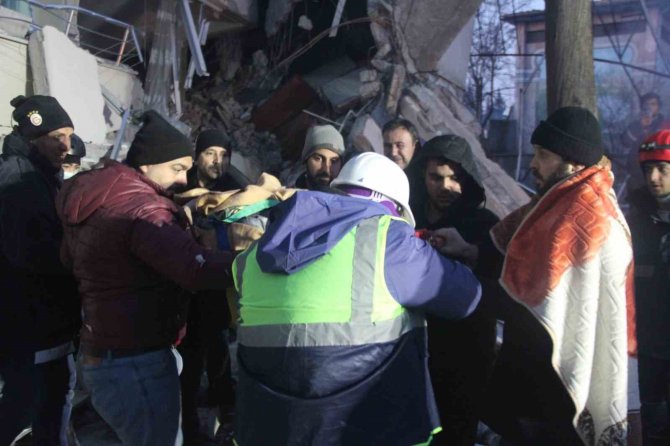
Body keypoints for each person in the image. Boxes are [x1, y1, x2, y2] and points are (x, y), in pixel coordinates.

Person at [232, 152, 482, 446]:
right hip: (363, 427)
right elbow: (466, 298)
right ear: (396, 208)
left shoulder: (254, 254)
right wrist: (464, 253)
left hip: (267, 429)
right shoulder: (388, 240)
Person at [441, 107, 636, 445]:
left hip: (553, 393)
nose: (533, 164)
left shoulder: (584, 216)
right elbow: (513, 257)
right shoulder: (559, 201)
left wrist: (455, 286)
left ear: (573, 162)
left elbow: (529, 300)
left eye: (543, 155)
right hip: (535, 380)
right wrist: (467, 249)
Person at [55, 110, 234, 446]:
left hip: (99, 352)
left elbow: (68, 258)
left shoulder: (95, 193)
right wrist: (250, 263)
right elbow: (195, 269)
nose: (183, 180)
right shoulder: (142, 208)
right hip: (136, 356)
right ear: (149, 164)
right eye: (177, 169)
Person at [0, 95, 81, 446]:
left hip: (48, 321)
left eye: (70, 135)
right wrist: (80, 259)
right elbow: (28, 253)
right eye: (57, 137)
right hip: (29, 321)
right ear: (34, 135)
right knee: (26, 406)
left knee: (52, 401)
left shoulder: (42, 174)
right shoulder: (17, 178)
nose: (67, 146)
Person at [409, 135, 500, 446]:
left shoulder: (485, 225)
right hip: (412, 349)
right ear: (423, 176)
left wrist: (470, 252)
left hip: (465, 354)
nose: (445, 187)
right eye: (436, 177)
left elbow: (502, 276)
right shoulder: (404, 220)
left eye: (454, 178)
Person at [177, 127, 238, 445]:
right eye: (211, 153)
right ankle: (188, 428)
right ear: (197, 155)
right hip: (184, 290)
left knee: (219, 350)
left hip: (218, 286)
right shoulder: (180, 184)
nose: (218, 161)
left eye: (224, 155)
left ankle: (225, 413)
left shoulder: (236, 189)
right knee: (187, 360)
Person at [627, 129, 670, 446]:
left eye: (663, 170)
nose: (653, 178)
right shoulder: (635, 222)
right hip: (648, 349)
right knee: (652, 428)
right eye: (648, 170)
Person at [621, 93, 668, 190]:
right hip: (638, 171)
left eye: (653, 104)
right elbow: (625, 143)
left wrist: (645, 146)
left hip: (662, 171)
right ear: (642, 107)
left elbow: (663, 146)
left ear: (659, 107)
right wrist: (640, 127)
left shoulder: (665, 125)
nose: (650, 107)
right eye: (647, 104)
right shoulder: (635, 125)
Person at [293, 124, 345, 190]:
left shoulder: (350, 199)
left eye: (334, 161)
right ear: (306, 159)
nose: (326, 169)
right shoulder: (292, 197)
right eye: (318, 159)